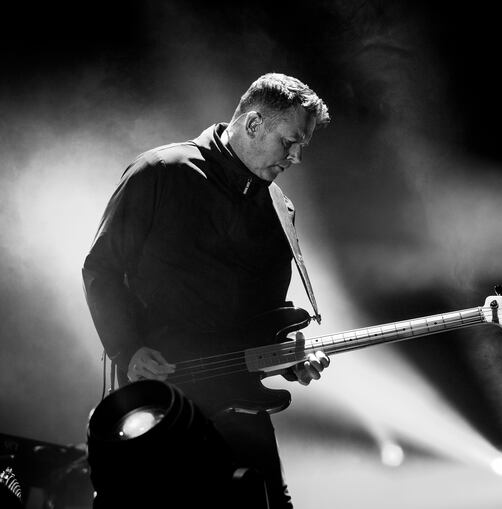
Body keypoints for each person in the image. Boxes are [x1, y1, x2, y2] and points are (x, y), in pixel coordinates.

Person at [82, 72, 332, 508]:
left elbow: (266, 316)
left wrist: (291, 357)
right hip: (162, 408)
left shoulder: (279, 207)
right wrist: (127, 348)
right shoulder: (161, 171)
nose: (295, 157)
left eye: (301, 146)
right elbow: (101, 267)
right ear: (253, 124)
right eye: (290, 142)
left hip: (242, 410)